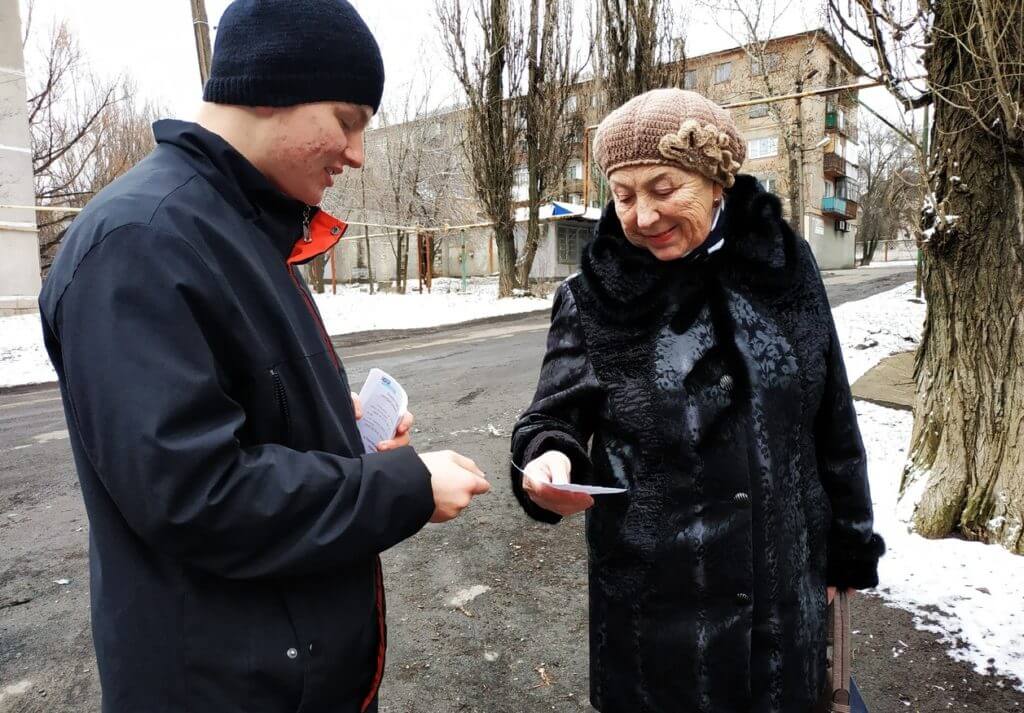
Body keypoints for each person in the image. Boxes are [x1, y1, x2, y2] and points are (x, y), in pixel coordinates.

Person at [38, 1, 489, 711]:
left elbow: (240, 413)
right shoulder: (141, 241)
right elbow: (196, 493)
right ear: (274, 84)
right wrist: (402, 488)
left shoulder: (236, 227)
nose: (358, 153)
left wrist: (335, 429)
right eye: (348, 118)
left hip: (282, 674)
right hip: (221, 686)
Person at [510, 88, 885, 713]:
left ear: (716, 181)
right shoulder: (594, 296)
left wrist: (848, 545)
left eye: (662, 188)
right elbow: (553, 415)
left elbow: (832, 420)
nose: (643, 216)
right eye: (624, 196)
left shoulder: (787, 271)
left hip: (782, 596)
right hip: (655, 616)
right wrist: (547, 458)